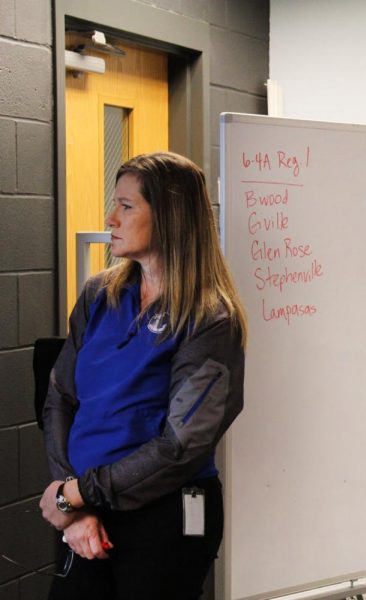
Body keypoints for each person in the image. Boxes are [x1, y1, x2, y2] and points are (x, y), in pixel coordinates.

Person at [39, 152, 248, 599]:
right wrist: (70, 501)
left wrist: (78, 495)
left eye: (127, 206)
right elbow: (60, 398)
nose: (111, 218)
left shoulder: (210, 318)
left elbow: (181, 445)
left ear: (170, 217)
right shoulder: (100, 294)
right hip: (84, 513)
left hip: (163, 518)